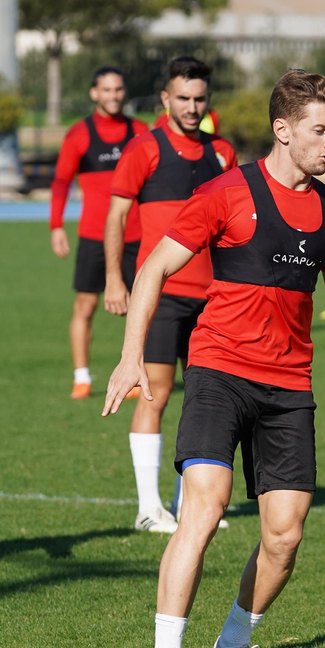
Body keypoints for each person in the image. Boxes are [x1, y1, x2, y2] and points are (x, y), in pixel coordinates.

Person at [102, 68, 325, 648]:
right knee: (204, 507)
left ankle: (233, 646)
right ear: (282, 130)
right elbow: (152, 270)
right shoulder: (227, 193)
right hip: (219, 372)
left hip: (289, 386)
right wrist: (130, 357)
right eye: (320, 130)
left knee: (284, 535)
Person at [104, 57, 237, 533]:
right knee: (154, 395)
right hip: (162, 296)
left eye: (199, 99)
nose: (191, 107)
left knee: (203, 400)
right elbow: (116, 217)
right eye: (182, 98)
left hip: (213, 299)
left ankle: (189, 506)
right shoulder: (144, 149)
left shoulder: (222, 152)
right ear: (165, 99)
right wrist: (115, 280)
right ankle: (147, 508)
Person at [49, 66, 140, 399]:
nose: (113, 96)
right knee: (85, 307)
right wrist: (56, 225)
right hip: (93, 237)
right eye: (106, 90)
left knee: (140, 306)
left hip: (136, 234)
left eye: (118, 89)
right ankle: (82, 377)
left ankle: (133, 373)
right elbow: (60, 183)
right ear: (94, 93)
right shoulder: (79, 135)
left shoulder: (140, 131)